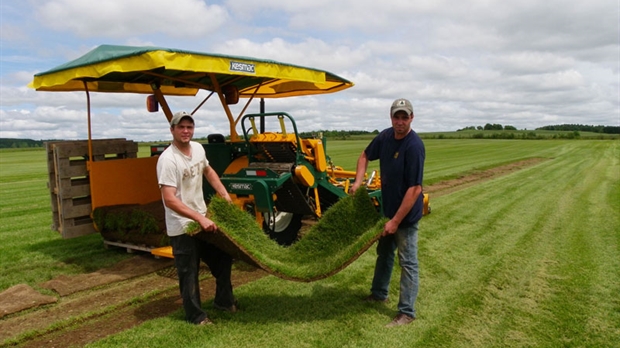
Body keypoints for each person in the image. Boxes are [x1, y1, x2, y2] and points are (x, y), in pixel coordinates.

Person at [349, 98, 425, 328]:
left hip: (405, 215)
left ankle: (407, 312)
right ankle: (379, 293)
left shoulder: (414, 146)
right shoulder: (385, 137)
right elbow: (364, 155)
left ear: (412, 118)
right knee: (384, 253)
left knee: (408, 262)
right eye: (396, 117)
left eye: (405, 117)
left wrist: (395, 221)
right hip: (388, 211)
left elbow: (414, 189)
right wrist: (358, 182)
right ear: (391, 117)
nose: (400, 121)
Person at [156, 111, 236, 325]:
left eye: (189, 127)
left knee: (222, 258)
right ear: (172, 130)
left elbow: (208, 172)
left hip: (202, 219)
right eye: (181, 127)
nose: (185, 131)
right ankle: (196, 316)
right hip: (183, 226)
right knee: (189, 272)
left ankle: (224, 301)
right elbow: (170, 200)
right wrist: (199, 220)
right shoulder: (168, 160)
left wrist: (224, 194)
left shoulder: (199, 149)